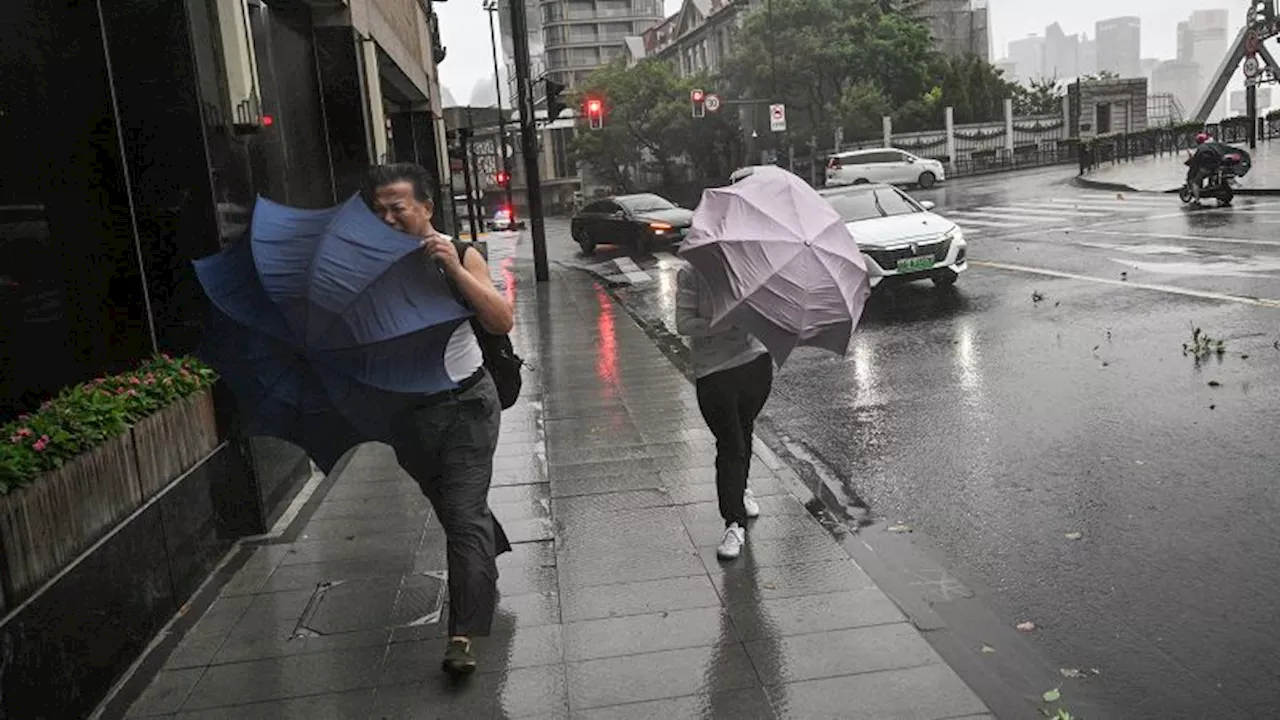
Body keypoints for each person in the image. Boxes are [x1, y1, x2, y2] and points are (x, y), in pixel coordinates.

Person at [364, 163, 515, 676]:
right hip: (406, 414)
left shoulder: (461, 252)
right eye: (379, 210)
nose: (387, 219)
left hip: (467, 404)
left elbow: (500, 319)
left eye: (397, 208)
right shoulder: (371, 267)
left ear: (426, 208)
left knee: (462, 515)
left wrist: (452, 267)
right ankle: (486, 550)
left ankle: (464, 634)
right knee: (453, 507)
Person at [675, 262, 773, 561]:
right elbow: (683, 324)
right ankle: (734, 523)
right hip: (713, 369)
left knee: (743, 430)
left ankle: (740, 487)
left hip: (754, 362)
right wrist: (726, 321)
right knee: (731, 443)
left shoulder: (754, 267)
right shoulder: (692, 273)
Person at [1186, 132, 1223, 203]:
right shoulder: (1211, 147)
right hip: (1215, 168)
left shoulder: (1200, 149)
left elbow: (1195, 161)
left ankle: (1197, 200)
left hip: (1206, 169)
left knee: (1195, 182)